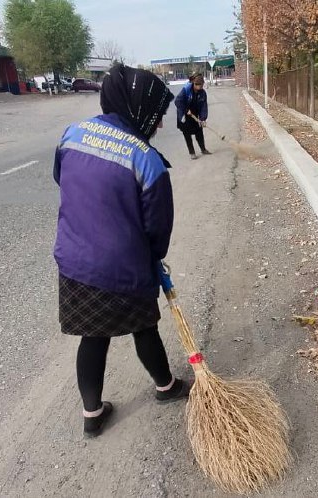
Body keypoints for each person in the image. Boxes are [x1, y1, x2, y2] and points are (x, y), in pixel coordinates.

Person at [53, 65, 190, 438]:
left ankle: (92, 413)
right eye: (157, 116)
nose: (159, 125)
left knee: (92, 337)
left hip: (75, 264)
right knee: (145, 328)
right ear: (139, 108)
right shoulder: (146, 159)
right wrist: (153, 260)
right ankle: (166, 387)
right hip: (123, 269)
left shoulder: (71, 135)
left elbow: (63, 181)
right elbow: (158, 229)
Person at [175, 72, 211, 160]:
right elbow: (178, 101)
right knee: (187, 134)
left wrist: (203, 118)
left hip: (194, 113)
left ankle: (203, 149)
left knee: (199, 132)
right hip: (184, 113)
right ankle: (192, 152)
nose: (200, 87)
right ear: (194, 83)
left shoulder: (202, 93)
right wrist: (186, 110)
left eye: (201, 85)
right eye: (198, 85)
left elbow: (203, 106)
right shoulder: (186, 90)